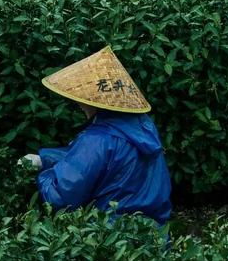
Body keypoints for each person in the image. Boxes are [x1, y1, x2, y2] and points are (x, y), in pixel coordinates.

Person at [18, 45, 172, 228]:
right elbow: (103, 160)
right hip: (154, 236)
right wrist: (46, 158)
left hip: (108, 239)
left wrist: (46, 174)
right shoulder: (143, 127)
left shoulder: (96, 139)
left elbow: (60, 198)